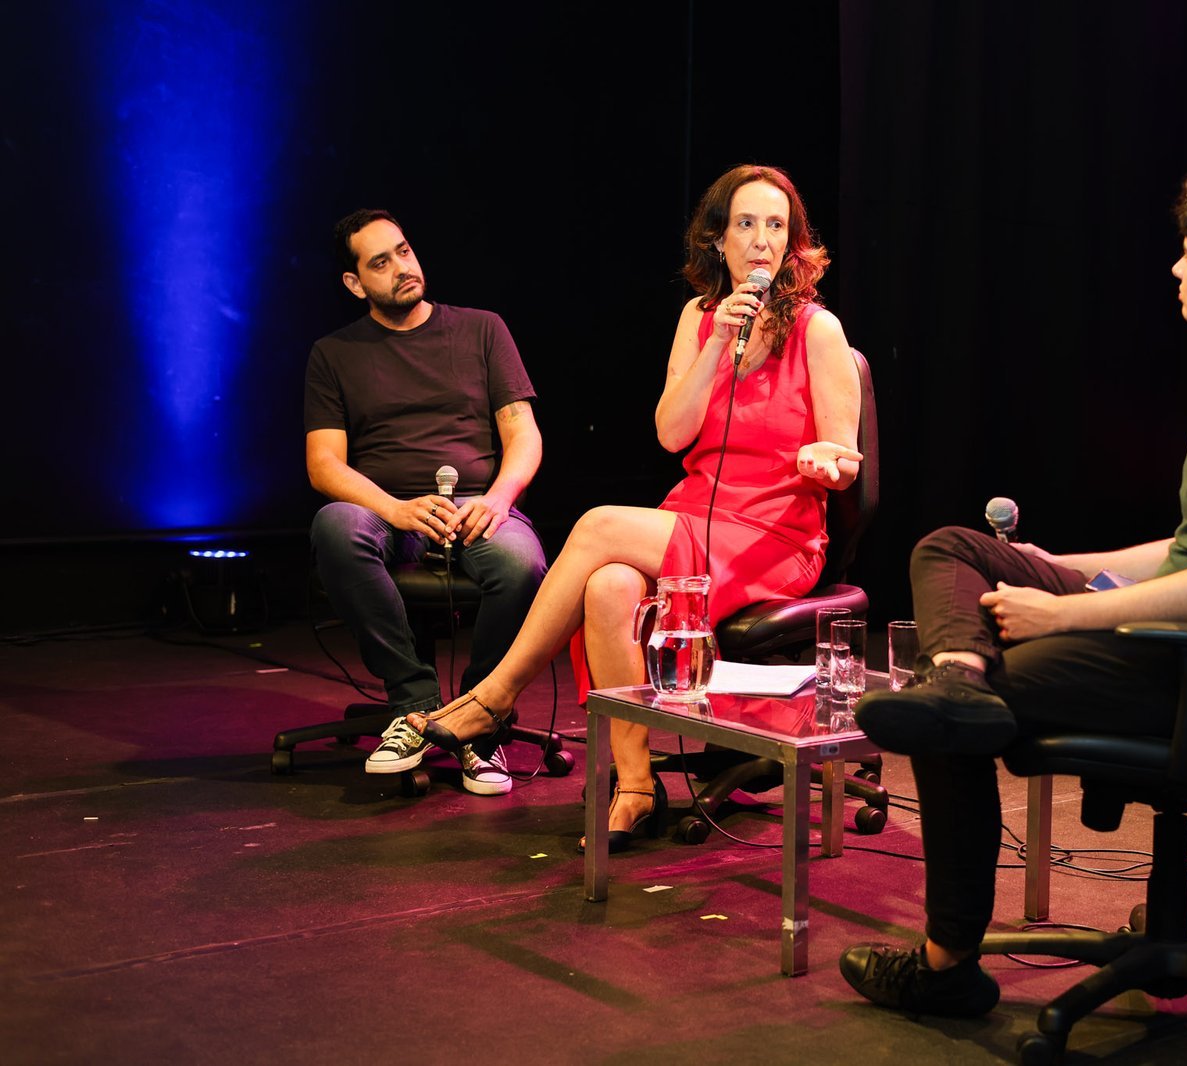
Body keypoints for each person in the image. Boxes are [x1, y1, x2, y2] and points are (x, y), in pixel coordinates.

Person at [839, 162, 1187, 1017]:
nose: (1175, 269)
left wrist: (1063, 610)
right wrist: (1072, 565)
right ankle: (958, 673)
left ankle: (945, 969)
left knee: (948, 724)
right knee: (952, 546)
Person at [372, 164, 864, 851]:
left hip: (776, 533)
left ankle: (496, 695)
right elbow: (671, 434)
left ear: (792, 242)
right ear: (717, 240)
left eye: (775, 226)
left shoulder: (819, 331)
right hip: (696, 513)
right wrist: (718, 343)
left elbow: (844, 461)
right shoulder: (698, 319)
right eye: (745, 225)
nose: (760, 241)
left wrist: (824, 459)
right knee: (606, 586)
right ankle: (635, 785)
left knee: (598, 524)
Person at [305, 209, 549, 796]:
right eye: (380, 262)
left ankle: (477, 719)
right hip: (388, 507)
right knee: (335, 527)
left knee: (522, 564)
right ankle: (414, 707)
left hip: (475, 503)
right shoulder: (333, 354)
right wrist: (394, 508)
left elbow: (524, 436)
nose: (402, 268)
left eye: (405, 251)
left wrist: (497, 497)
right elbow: (323, 465)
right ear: (355, 283)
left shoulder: (482, 329)